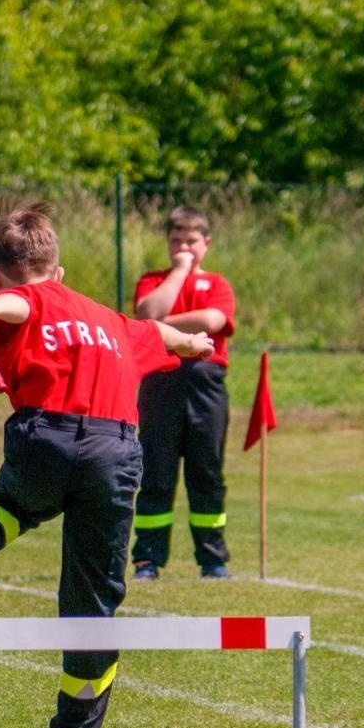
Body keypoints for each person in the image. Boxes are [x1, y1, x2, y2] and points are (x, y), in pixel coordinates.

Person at [0, 203, 214, 728]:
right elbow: (160, 333)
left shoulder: (19, 300)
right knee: (93, 602)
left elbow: (19, 303)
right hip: (113, 450)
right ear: (59, 270)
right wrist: (194, 344)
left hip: (44, 437)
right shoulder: (108, 318)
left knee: (14, 505)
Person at [131, 205, 235, 581]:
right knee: (156, 473)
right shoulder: (153, 280)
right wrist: (177, 274)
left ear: (206, 243)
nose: (184, 249)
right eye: (176, 241)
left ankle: (212, 559)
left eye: (191, 241)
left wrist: (160, 326)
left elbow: (213, 320)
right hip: (160, 383)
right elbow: (147, 312)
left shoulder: (217, 284)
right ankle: (147, 559)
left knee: (206, 474)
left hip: (206, 386)